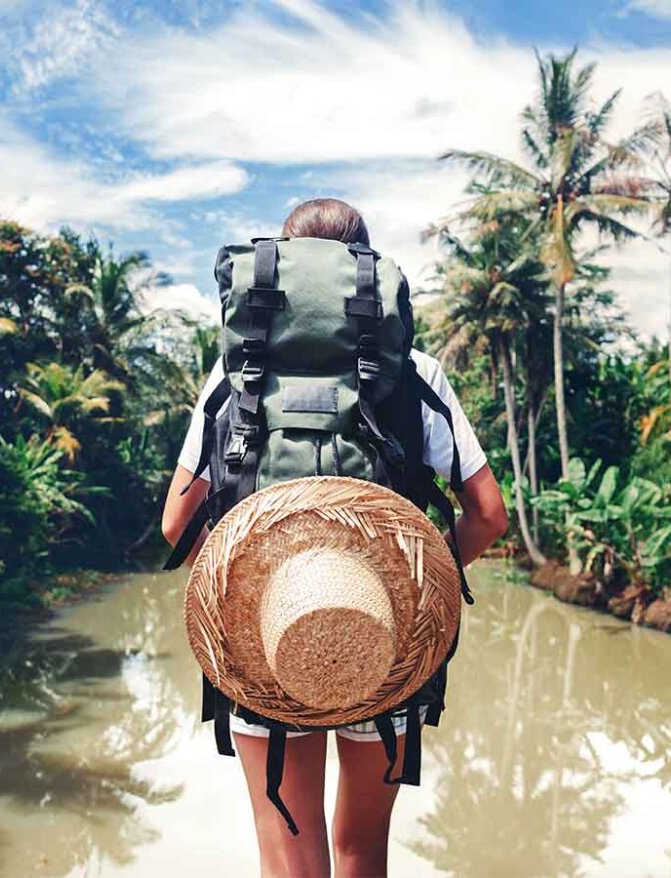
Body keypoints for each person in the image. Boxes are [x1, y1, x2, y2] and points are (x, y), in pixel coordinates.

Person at [162, 198, 508, 878]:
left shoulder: (236, 375)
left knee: (289, 852)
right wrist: (420, 587)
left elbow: (176, 523)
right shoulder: (415, 372)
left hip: (262, 641)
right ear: (365, 276)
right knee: (362, 850)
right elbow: (489, 515)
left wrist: (241, 598)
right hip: (385, 640)